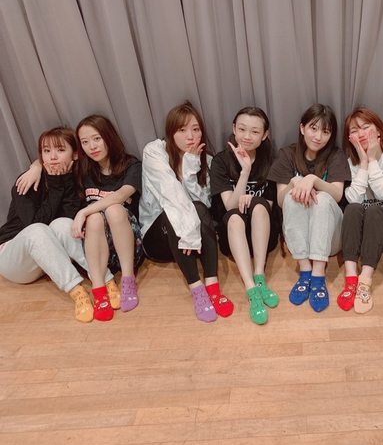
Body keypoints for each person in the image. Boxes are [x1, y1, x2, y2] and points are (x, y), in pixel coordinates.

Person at [0, 127, 118, 323]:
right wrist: (50, 180)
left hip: (47, 260)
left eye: (60, 150)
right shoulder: (26, 182)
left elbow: (69, 220)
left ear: (75, 154)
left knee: (63, 224)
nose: (52, 157)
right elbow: (35, 224)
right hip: (13, 258)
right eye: (46, 151)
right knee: (38, 230)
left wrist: (63, 182)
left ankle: (105, 279)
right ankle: (77, 292)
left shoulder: (77, 180)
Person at [139, 102, 223, 323]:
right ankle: (197, 289)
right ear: (170, 132)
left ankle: (212, 285)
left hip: (192, 242)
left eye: (195, 129)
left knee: (198, 208)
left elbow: (203, 207)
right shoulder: (154, 151)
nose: (190, 137)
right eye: (182, 130)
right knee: (173, 211)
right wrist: (189, 234)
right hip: (159, 237)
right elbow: (171, 196)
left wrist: (190, 168)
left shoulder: (207, 161)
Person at [268, 103, 351, 312]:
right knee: (291, 198)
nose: (318, 136)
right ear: (302, 127)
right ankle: (305, 271)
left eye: (325, 131)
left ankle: (318, 275)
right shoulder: (287, 154)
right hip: (301, 242)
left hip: (330, 240)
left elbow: (337, 195)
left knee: (322, 199)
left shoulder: (336, 155)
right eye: (313, 128)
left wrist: (313, 179)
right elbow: (280, 200)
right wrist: (294, 182)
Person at [209, 107, 280, 325]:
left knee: (258, 204)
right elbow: (230, 206)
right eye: (242, 129)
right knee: (234, 216)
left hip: (263, 236)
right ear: (234, 129)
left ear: (265, 135)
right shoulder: (220, 161)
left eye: (255, 131)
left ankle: (259, 277)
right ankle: (251, 289)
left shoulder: (271, 159)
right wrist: (245, 172)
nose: (247, 136)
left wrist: (252, 198)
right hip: (233, 236)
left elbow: (268, 206)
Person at [338, 107, 383, 313]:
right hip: (365, 234)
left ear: (378, 130)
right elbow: (353, 200)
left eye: (365, 127)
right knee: (353, 208)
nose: (361, 133)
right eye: (354, 130)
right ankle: (351, 279)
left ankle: (365, 280)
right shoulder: (350, 162)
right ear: (349, 138)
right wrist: (362, 163)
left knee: (374, 210)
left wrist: (371, 159)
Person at [72, 115, 143, 321]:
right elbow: (53, 157)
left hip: (128, 244)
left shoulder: (131, 164)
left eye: (97, 139)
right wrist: (36, 167)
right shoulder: (82, 170)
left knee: (114, 209)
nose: (92, 146)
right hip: (98, 248)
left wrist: (83, 212)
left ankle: (128, 280)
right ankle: (99, 290)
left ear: (108, 136)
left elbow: (121, 196)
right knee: (94, 218)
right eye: (85, 142)